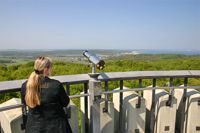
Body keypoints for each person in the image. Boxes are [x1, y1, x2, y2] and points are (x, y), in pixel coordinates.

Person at [21, 56, 72, 133]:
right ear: (46, 69)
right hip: (57, 127)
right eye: (51, 67)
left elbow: (25, 103)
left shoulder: (26, 85)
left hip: (33, 128)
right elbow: (66, 103)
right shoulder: (56, 85)